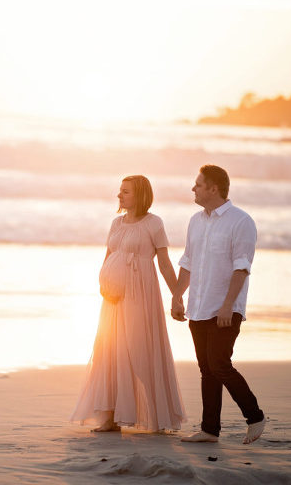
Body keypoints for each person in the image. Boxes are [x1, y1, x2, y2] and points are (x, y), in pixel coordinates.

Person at [71, 175, 186, 432]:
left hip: (140, 295)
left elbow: (165, 263)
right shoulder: (116, 223)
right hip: (112, 299)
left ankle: (157, 417)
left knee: (140, 350)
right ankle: (110, 417)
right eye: (120, 191)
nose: (119, 195)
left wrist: (177, 296)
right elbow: (109, 256)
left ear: (140, 195)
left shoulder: (154, 223)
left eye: (125, 192)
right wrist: (103, 284)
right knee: (110, 351)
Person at [171, 164, 266, 444]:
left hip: (225, 308)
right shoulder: (195, 221)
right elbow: (188, 263)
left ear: (214, 188)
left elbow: (242, 268)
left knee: (219, 364)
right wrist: (178, 296)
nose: (193, 189)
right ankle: (210, 430)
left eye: (198, 184)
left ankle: (255, 416)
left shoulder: (241, 221)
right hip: (198, 306)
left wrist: (228, 305)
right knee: (206, 369)